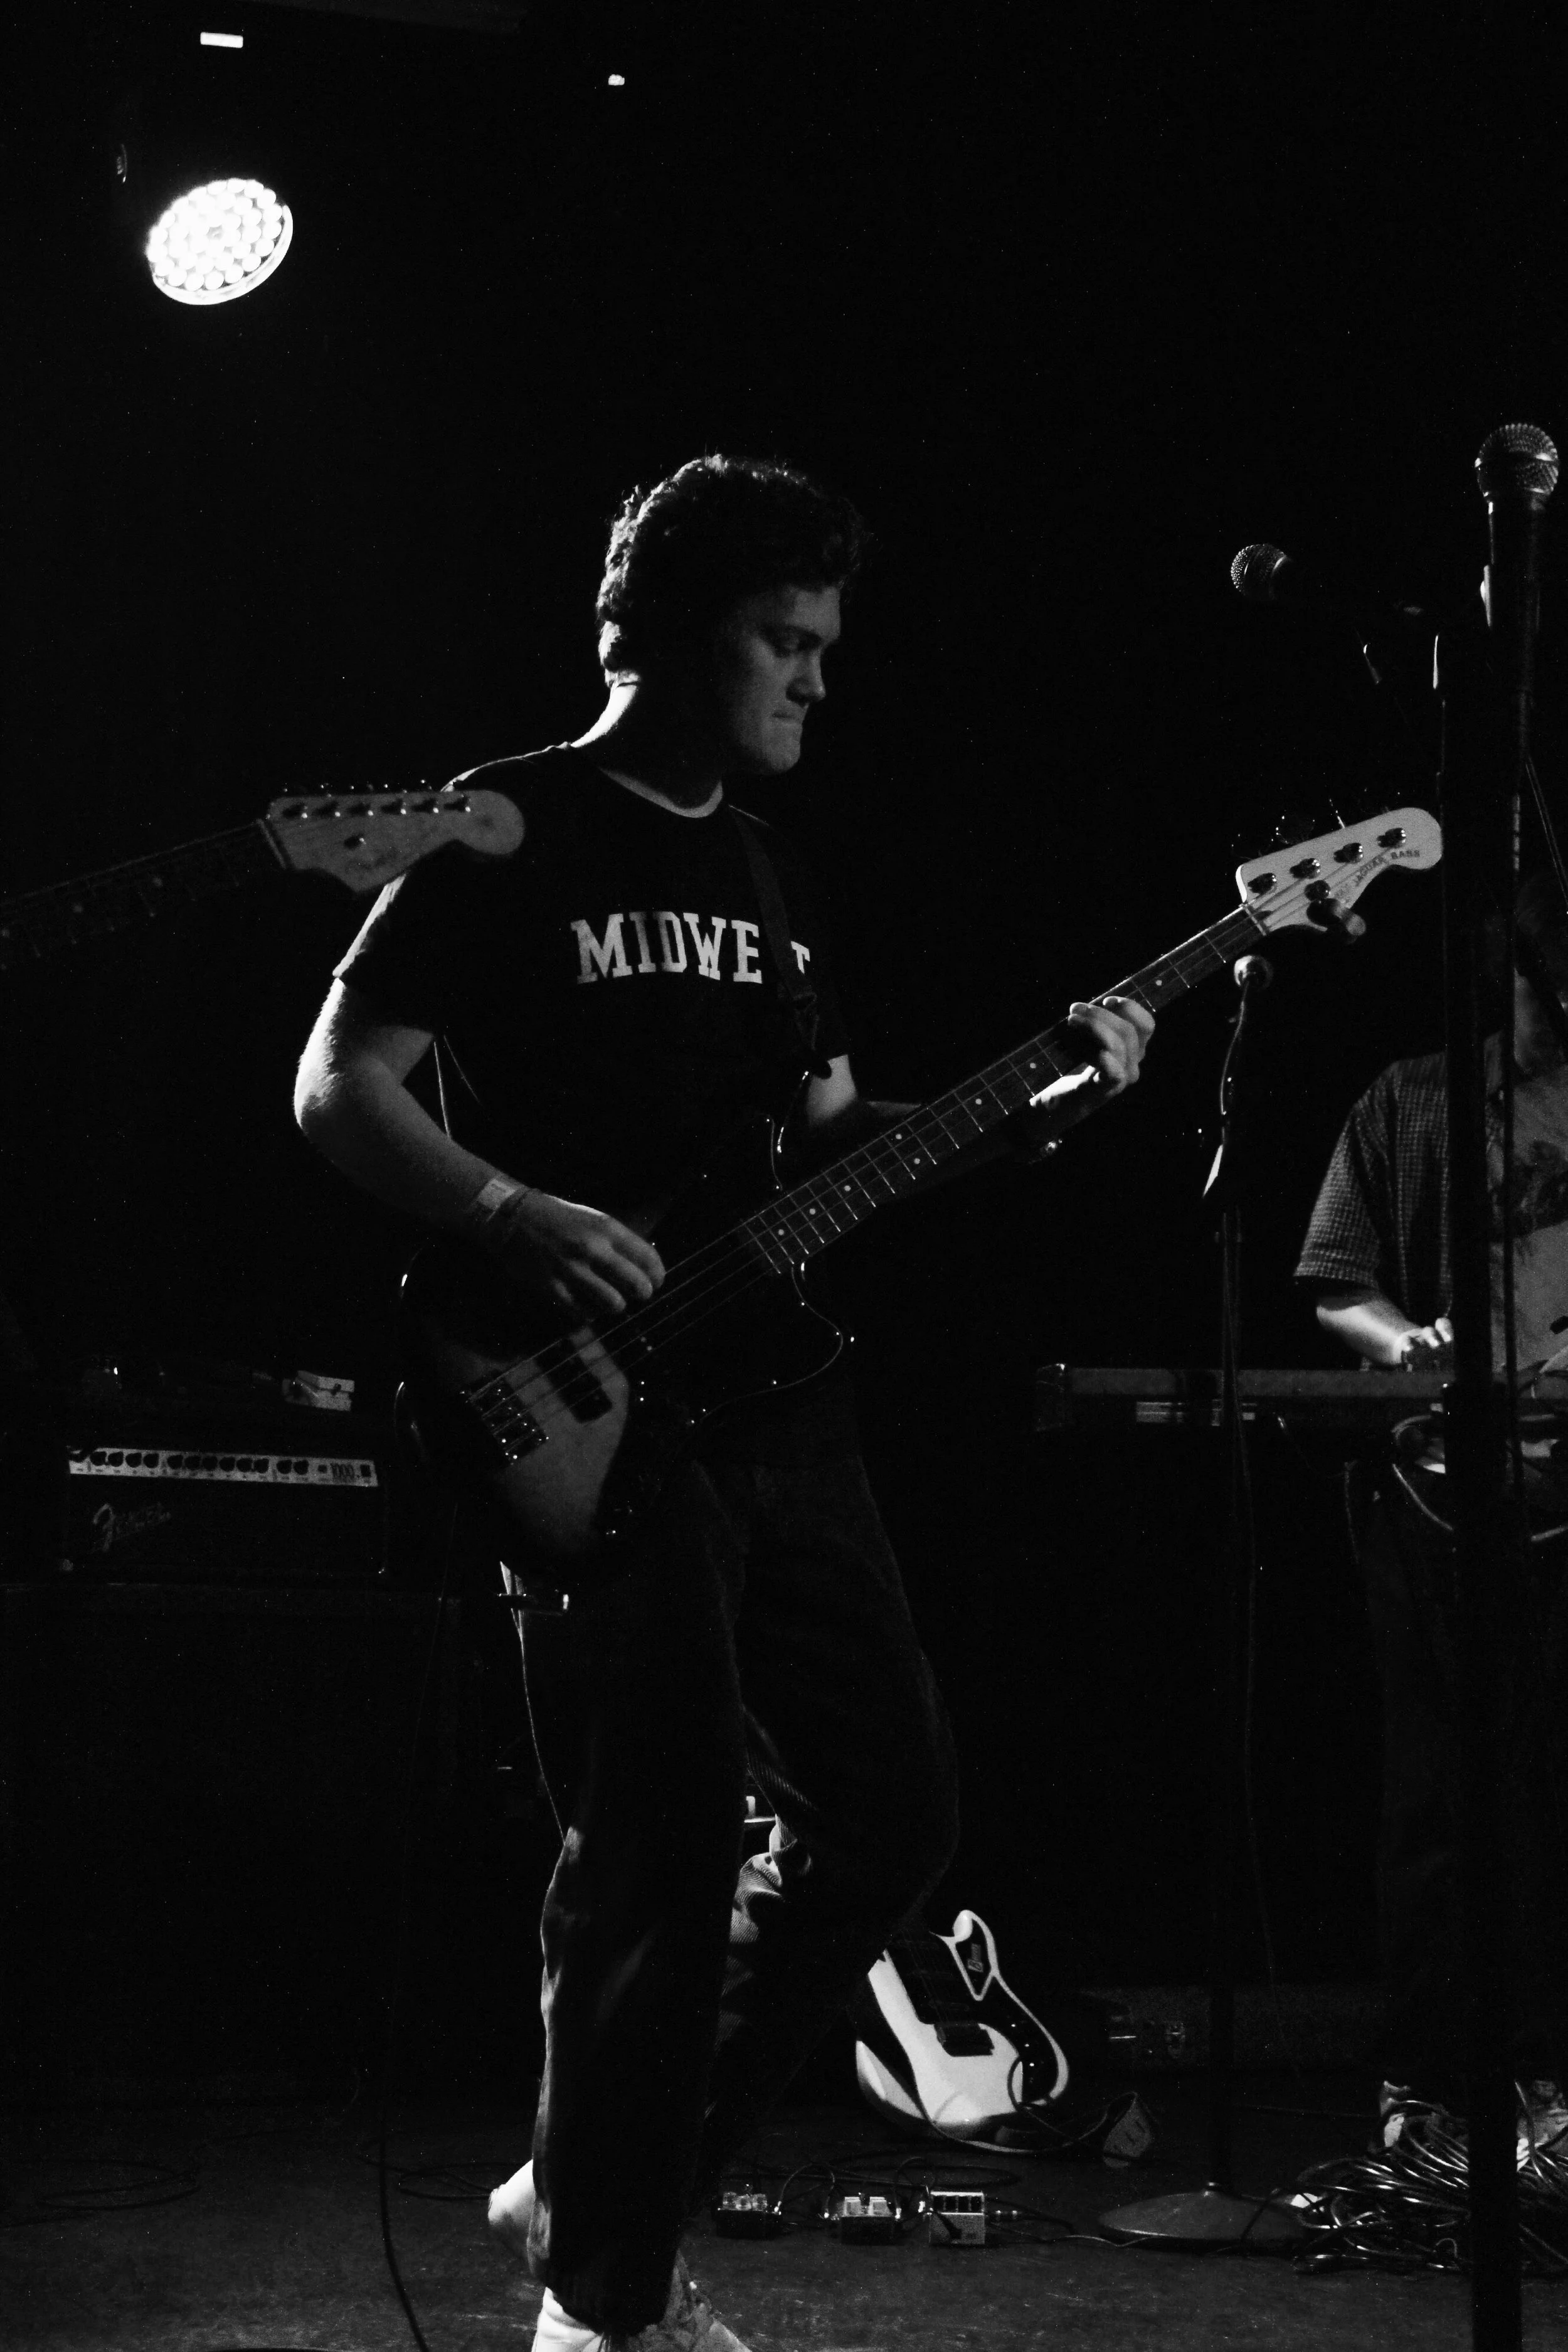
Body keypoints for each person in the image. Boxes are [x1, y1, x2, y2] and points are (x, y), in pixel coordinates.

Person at [294, 455, 1153, 2352]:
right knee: (656, 1843)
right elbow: (336, 1085)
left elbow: (833, 1144)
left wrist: (1031, 1112)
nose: (815, 677)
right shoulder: (504, 827)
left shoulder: (770, 874)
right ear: (670, 638)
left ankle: (593, 2183)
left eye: (823, 641)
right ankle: (604, 2304)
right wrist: (505, 1210)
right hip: (574, 1407)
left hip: (774, 1402)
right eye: (782, 638)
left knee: (894, 1810)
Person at [1297, 872, 1568, 2151]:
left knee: (1548, 1788)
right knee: (1432, 1797)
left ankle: (1541, 2078)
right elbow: (1333, 1281)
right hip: (1433, 1489)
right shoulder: (1411, 1099)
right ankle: (1422, 2082)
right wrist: (1403, 1342)